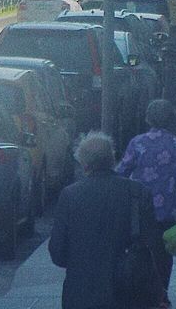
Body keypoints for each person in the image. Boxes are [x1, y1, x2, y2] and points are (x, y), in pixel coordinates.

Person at [50, 131, 158, 309]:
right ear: (112, 158)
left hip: (81, 293)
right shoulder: (137, 193)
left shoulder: (70, 195)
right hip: (130, 290)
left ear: (84, 164)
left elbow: (57, 252)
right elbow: (152, 242)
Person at [115, 99, 176, 309]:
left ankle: (142, 290)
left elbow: (122, 171)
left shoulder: (137, 143)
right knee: (164, 255)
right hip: (168, 209)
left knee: (141, 251)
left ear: (148, 118)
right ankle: (162, 294)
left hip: (140, 208)